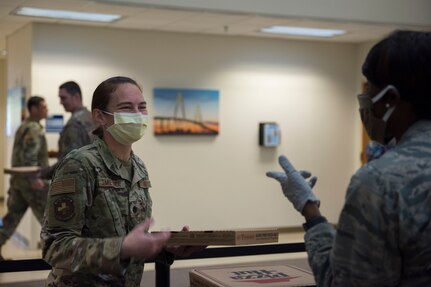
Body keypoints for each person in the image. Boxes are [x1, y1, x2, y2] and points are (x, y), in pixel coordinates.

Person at [266, 30, 431, 286]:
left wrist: (310, 210)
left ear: (390, 99)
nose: (365, 104)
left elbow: (343, 282)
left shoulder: (380, 182)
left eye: (369, 93)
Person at [41, 76, 204, 286]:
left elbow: (129, 242)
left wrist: (164, 247)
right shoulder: (80, 165)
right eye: (126, 108)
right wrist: (123, 248)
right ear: (100, 116)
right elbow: (55, 247)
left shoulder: (138, 167)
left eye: (142, 107)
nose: (137, 115)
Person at [0, 96, 49, 259]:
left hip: (19, 181)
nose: (46, 109)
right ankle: (58, 256)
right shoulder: (34, 128)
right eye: (43, 106)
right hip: (31, 182)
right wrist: (35, 179)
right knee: (50, 220)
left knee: (11, 218)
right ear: (33, 109)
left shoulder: (24, 126)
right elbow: (29, 156)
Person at [40, 81, 96, 179]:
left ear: (76, 96)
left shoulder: (74, 124)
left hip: (78, 181)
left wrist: (42, 174)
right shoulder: (92, 117)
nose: (61, 102)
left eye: (63, 98)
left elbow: (69, 161)